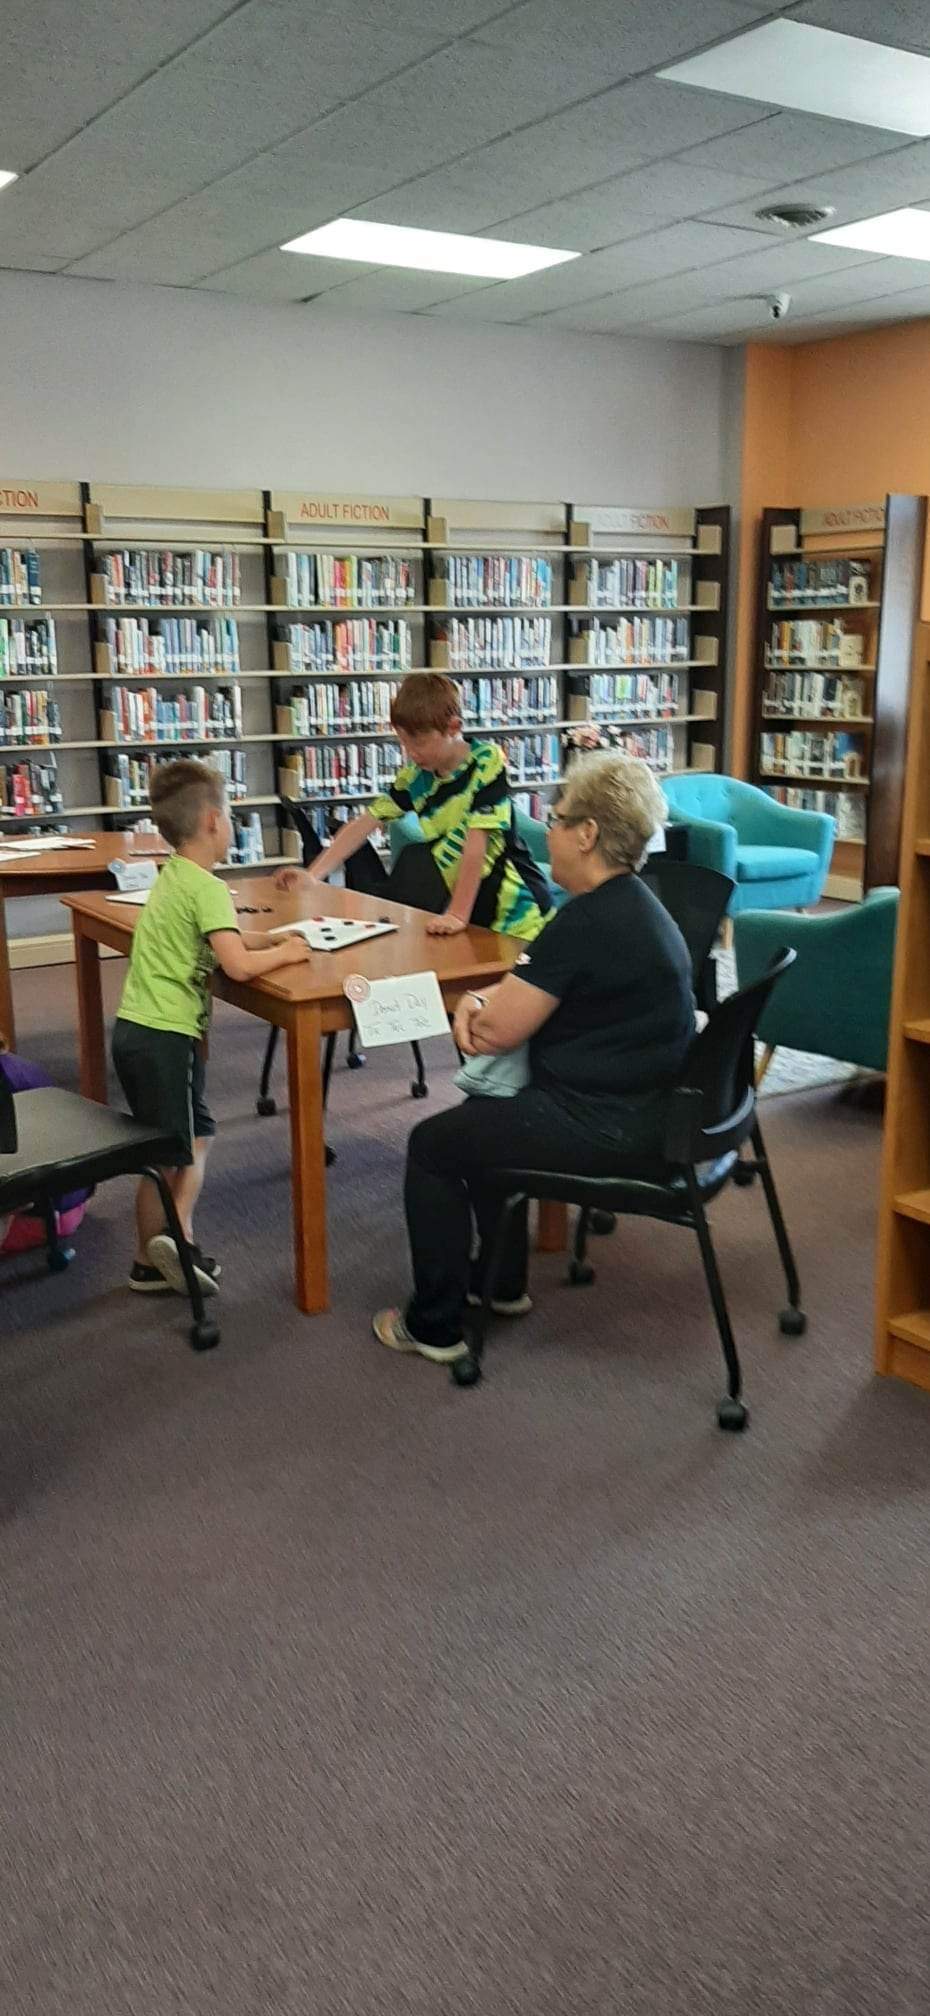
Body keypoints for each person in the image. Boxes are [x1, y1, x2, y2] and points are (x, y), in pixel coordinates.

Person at [372, 752, 696, 1364]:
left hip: (607, 1124)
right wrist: (486, 1000)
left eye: (557, 816)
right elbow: (535, 985)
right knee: (489, 1113)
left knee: (435, 1145)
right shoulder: (633, 906)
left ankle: (434, 1325)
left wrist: (472, 1007)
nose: (545, 828)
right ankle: (501, 1285)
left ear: (588, 833)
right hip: (650, 1107)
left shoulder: (585, 922)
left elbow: (491, 1034)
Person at [111, 759, 310, 1297]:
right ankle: (177, 1239)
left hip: (137, 1031)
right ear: (212, 823)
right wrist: (289, 951)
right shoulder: (209, 888)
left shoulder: (174, 875)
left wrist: (263, 939)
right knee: (190, 1143)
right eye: (231, 817)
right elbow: (236, 968)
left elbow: (226, 942)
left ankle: (152, 1260)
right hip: (168, 1037)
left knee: (167, 1150)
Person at [278, 672, 553, 942]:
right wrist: (314, 875)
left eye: (419, 742)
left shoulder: (487, 762)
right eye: (403, 742)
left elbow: (476, 847)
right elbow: (365, 823)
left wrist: (457, 914)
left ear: (453, 728)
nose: (411, 752)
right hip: (478, 913)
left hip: (522, 912)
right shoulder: (415, 779)